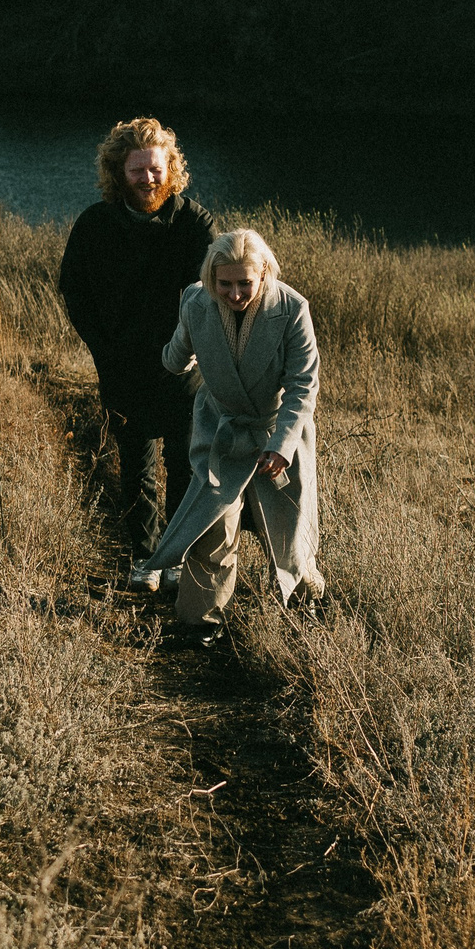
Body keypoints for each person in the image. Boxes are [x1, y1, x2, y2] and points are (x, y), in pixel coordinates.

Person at [135, 228, 325, 646]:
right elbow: (177, 354)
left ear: (264, 275)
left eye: (245, 283)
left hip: (277, 434)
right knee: (211, 528)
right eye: (225, 283)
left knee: (289, 534)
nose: (235, 293)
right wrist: (167, 359)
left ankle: (304, 615)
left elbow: (303, 386)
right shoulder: (196, 301)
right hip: (222, 433)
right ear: (210, 277)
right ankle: (197, 627)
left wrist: (282, 445)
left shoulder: (292, 308)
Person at [57, 117, 217, 554]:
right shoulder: (95, 225)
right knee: (136, 465)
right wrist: (103, 348)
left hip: (183, 367)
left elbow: (216, 293)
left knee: (185, 466)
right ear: (118, 173)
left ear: (171, 168)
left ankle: (178, 556)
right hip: (122, 366)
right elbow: (74, 290)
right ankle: (145, 559)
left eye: (156, 168)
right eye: (136, 170)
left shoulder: (195, 223)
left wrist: (195, 349)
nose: (148, 179)